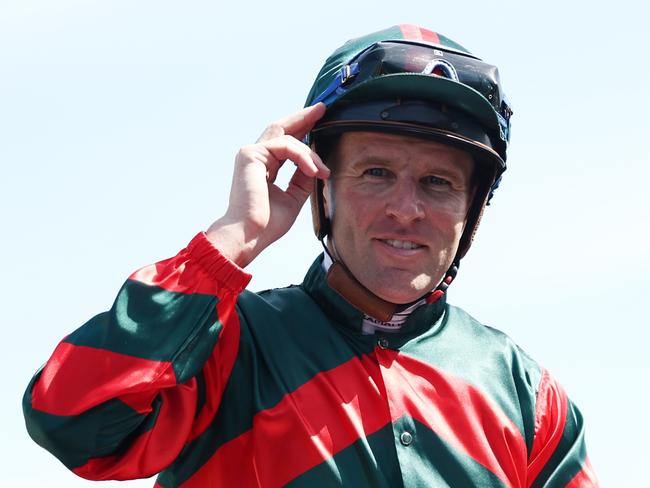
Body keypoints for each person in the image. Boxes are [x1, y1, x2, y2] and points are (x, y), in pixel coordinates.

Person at [23, 25, 598, 487]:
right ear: (320, 186)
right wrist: (230, 240)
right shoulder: (224, 345)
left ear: (473, 208)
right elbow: (72, 423)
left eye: (438, 182)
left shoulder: (526, 391)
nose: (407, 208)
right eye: (376, 173)